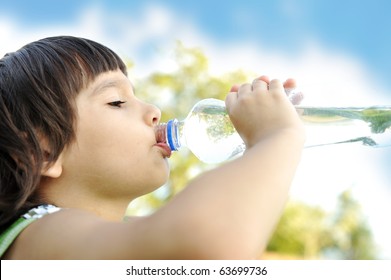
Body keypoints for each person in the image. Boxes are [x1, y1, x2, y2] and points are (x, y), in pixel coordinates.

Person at [0, 36, 305, 259]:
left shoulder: (130, 234)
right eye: (116, 102)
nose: (154, 110)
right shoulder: (40, 237)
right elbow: (203, 242)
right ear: (45, 152)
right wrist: (277, 137)